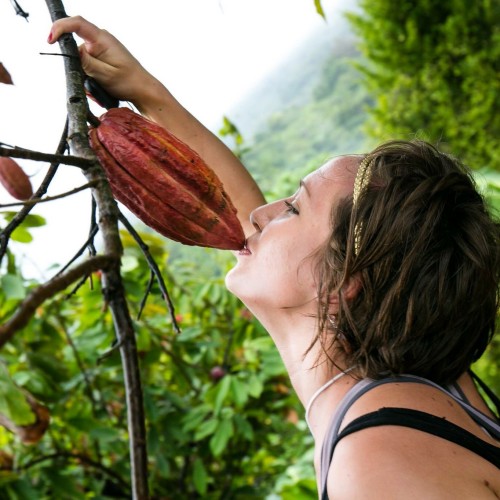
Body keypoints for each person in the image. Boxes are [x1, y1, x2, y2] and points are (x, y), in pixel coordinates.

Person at [49, 16, 500, 498]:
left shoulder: (375, 462)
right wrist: (144, 90)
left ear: (349, 280)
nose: (261, 214)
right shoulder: (428, 378)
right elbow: (248, 223)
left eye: (294, 207)